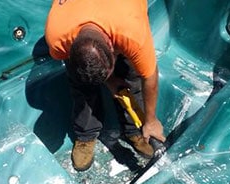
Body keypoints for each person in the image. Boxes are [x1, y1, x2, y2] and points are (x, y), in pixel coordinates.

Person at [45, 0, 165, 171]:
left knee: (132, 77)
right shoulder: (58, 39)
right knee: (81, 84)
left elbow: (150, 77)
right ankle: (86, 135)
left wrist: (151, 120)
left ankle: (134, 129)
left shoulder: (132, 35)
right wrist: (109, 80)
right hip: (77, 15)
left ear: (112, 47)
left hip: (123, 12)